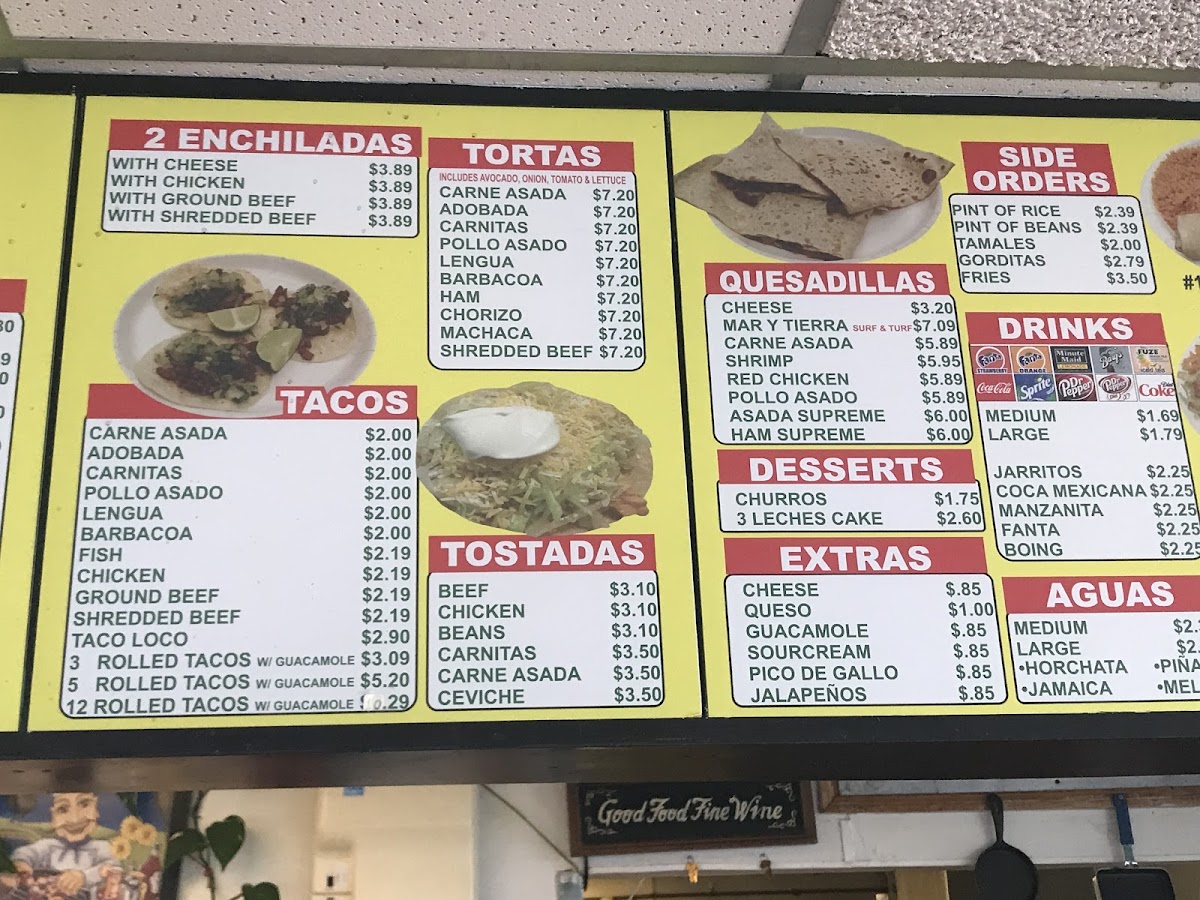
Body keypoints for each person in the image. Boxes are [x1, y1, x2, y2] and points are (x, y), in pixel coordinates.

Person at [1, 792, 117, 897]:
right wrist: (22, 863)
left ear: (96, 810)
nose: (74, 819)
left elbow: (113, 869)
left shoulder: (102, 847)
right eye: (62, 809)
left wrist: (84, 877)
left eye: (84, 804)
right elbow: (26, 853)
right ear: (53, 818)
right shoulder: (48, 846)